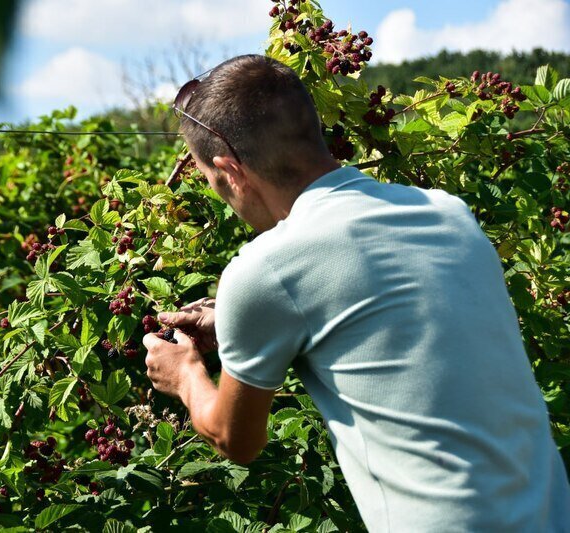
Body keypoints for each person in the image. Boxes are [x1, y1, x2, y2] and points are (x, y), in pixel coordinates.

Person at [141, 54, 570, 532]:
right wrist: (238, 321)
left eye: (210, 180)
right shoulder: (449, 214)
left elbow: (236, 439)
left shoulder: (266, 266)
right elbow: (384, 312)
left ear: (231, 170)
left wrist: (184, 376)